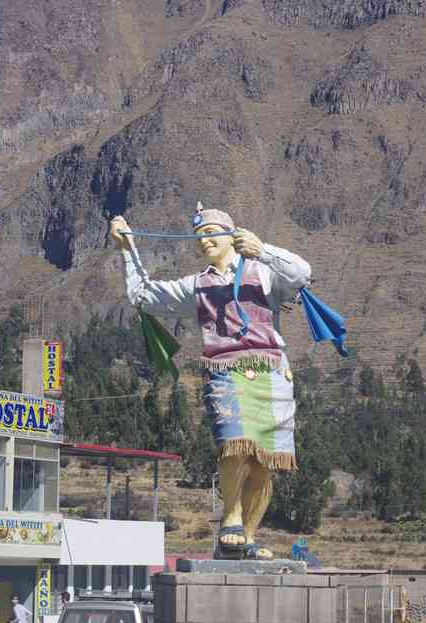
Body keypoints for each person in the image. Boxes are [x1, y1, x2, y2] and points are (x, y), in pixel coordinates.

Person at [110, 204, 311, 556]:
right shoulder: (197, 285)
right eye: (199, 236)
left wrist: (263, 250)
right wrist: (128, 248)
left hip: (272, 374)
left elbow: (302, 274)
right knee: (234, 444)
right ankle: (231, 516)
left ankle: (248, 538)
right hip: (225, 371)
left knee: (264, 465)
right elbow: (143, 295)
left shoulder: (264, 272)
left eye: (210, 233)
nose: (204, 241)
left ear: (231, 234)